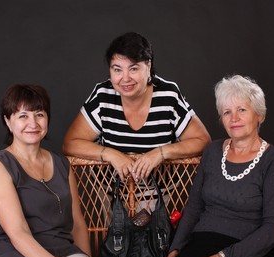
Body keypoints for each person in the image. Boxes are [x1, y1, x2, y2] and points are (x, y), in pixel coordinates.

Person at [62, 32, 211, 209]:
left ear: (148, 66)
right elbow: (70, 144)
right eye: (117, 69)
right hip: (112, 195)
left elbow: (203, 141)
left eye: (133, 68)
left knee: (156, 237)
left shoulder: (168, 95)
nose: (125, 78)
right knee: (116, 237)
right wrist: (111, 154)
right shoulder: (103, 95)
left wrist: (160, 153)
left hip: (161, 196)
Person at [167, 75, 274, 257]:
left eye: (242, 110)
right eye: (227, 112)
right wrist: (175, 249)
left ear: (259, 115)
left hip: (251, 251)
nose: (234, 118)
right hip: (201, 243)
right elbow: (194, 206)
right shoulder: (212, 152)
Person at [0, 84, 91, 257]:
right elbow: (18, 234)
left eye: (39, 115)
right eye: (23, 116)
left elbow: (77, 224)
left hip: (61, 250)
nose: (33, 123)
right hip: (13, 253)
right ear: (8, 121)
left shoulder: (62, 164)